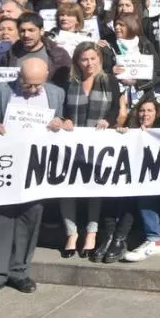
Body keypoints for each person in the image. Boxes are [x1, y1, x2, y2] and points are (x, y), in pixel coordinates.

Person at [0, 58, 68, 303]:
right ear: (18, 76)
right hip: (3, 169)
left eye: (37, 86)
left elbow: (63, 123)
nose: (32, 90)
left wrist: (60, 124)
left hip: (34, 170)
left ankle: (20, 272)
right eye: (27, 84)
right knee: (0, 221)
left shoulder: (56, 93)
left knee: (30, 219)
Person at [60, 42, 125, 260]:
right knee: (67, 188)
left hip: (99, 144)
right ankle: (71, 233)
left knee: (93, 187)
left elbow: (116, 107)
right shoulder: (69, 82)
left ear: (99, 59)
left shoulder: (110, 81)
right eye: (84, 59)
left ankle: (91, 232)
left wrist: (108, 120)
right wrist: (64, 120)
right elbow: (61, 110)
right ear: (77, 61)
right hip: (72, 144)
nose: (89, 63)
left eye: (93, 58)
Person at [121, 97, 160, 262]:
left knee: (146, 190)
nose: (145, 114)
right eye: (142, 110)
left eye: (149, 111)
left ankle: (155, 240)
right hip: (133, 182)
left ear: (157, 114)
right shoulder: (131, 130)